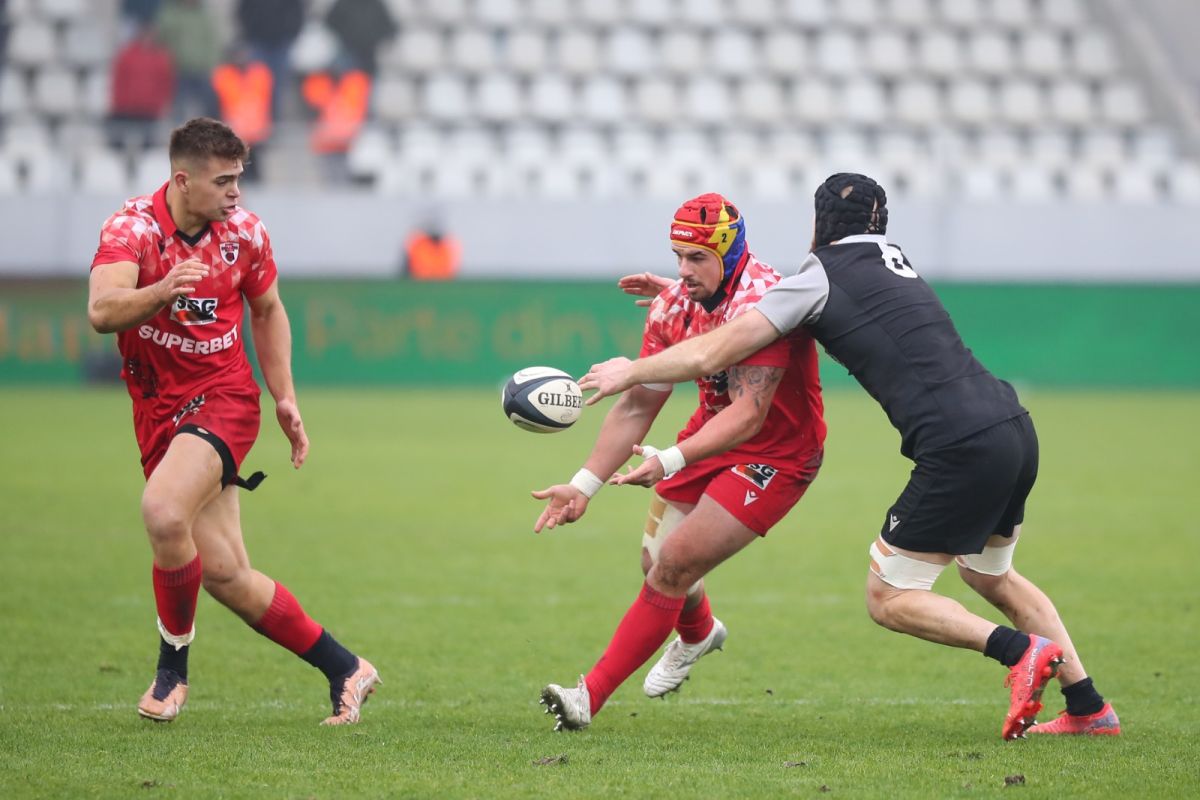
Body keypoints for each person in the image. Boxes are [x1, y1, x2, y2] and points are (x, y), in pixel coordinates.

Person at [580, 174, 1119, 739]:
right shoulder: (895, 260)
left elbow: (721, 346)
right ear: (879, 224)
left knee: (889, 596)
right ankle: (1087, 707)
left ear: (817, 226)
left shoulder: (817, 277)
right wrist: (687, 288)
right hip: (1010, 425)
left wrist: (631, 370)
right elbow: (776, 310)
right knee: (991, 575)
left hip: (957, 445)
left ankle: (1019, 651)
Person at [87, 117, 380, 726]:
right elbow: (102, 311)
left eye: (239, 179)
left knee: (163, 512)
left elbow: (268, 310)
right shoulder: (131, 230)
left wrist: (285, 397)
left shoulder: (245, 234)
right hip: (156, 407)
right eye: (223, 181)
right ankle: (345, 667)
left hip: (223, 399)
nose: (236, 193)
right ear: (181, 180)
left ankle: (171, 674)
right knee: (224, 573)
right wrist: (162, 289)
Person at [534, 194, 826, 731]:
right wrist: (583, 485)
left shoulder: (763, 300)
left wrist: (668, 459)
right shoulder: (674, 305)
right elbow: (640, 400)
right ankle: (699, 633)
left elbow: (748, 416)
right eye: (678, 257)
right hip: (709, 434)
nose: (682, 272)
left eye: (697, 259)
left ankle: (586, 698)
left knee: (675, 564)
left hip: (776, 453)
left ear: (729, 252)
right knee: (656, 563)